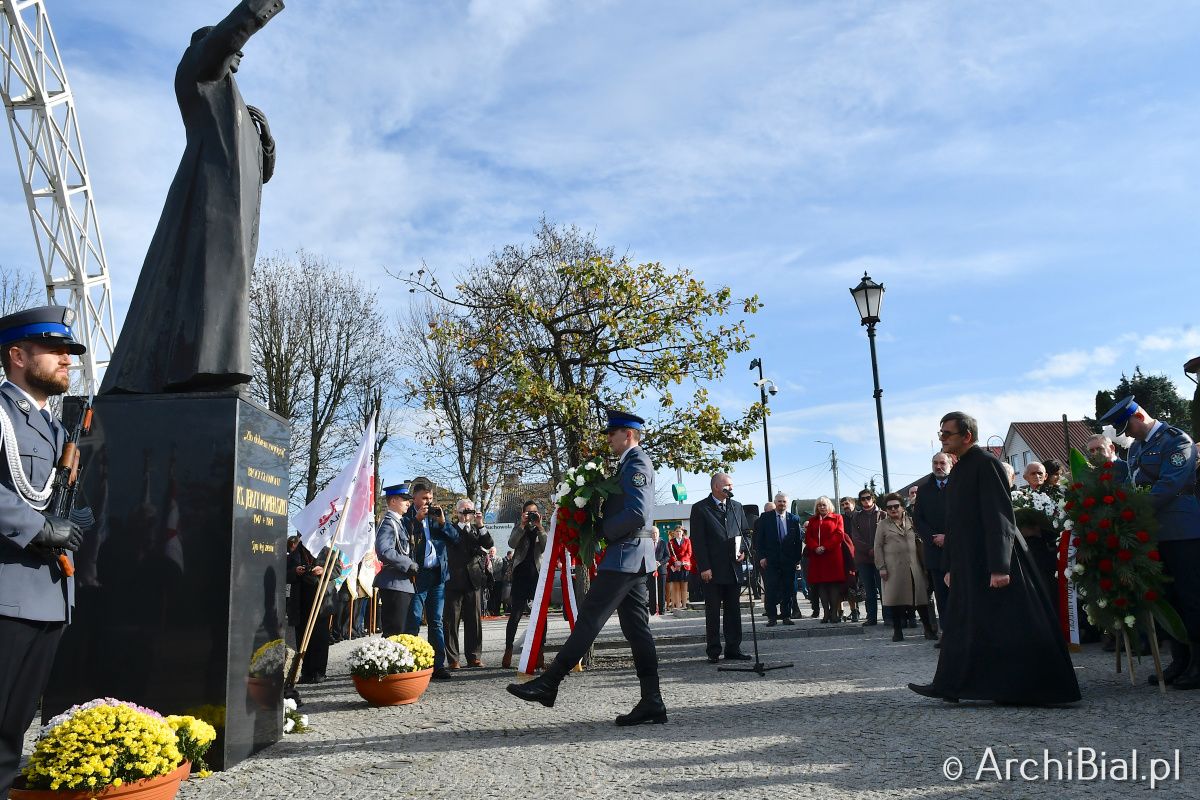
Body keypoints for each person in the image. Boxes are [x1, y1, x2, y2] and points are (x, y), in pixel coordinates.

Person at [101, 0, 283, 394]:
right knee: (205, 286)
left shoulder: (240, 106)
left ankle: (214, 369)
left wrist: (266, 142)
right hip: (208, 205)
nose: (239, 54)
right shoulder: (201, 75)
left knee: (224, 291)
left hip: (238, 220)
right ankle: (207, 371)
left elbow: (261, 174)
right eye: (230, 48)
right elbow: (229, 34)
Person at [910, 411, 1080, 705]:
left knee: (1011, 624)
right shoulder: (959, 468)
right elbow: (955, 523)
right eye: (940, 433)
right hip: (967, 561)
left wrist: (1000, 567)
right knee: (963, 623)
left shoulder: (986, 464)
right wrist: (950, 564)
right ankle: (950, 685)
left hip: (991, 560)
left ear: (967, 436)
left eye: (947, 433)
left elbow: (999, 515)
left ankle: (1034, 688)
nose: (942, 438)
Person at [507, 411, 665, 727]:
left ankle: (550, 682)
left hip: (626, 555)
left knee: (590, 618)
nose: (609, 439)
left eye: (612, 434)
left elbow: (636, 513)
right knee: (637, 630)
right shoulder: (628, 465)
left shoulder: (637, 463)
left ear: (628, 435)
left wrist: (601, 531)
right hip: (630, 555)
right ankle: (652, 701)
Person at [0, 306, 86, 798]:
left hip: (49, 596)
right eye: (55, 350)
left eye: (68, 352)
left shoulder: (55, 429)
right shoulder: (3, 414)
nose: (66, 359)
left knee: (12, 731)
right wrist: (38, 526)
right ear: (17, 355)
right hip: (7, 595)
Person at [1100, 396, 1200, 689]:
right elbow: (1131, 484)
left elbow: (1169, 485)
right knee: (1168, 599)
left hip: (1182, 531)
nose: (1128, 435)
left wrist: (1131, 509)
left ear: (1140, 416)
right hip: (1153, 534)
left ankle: (1199, 663)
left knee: (1191, 598)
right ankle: (1181, 660)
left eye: (1128, 427)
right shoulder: (1137, 448)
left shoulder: (1176, 440)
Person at [690, 473, 750, 663]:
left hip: (733, 568)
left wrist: (743, 550)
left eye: (732, 485)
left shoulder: (736, 506)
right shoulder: (700, 508)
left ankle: (733, 649)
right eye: (727, 485)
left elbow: (746, 533)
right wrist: (704, 567)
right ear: (716, 486)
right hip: (713, 570)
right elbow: (698, 541)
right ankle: (713, 651)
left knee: (733, 612)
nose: (731, 488)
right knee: (713, 612)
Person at [403, 482, 459, 680]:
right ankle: (411, 664)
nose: (428, 502)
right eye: (424, 498)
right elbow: (403, 536)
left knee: (436, 622)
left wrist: (443, 522)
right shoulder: (407, 516)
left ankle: (438, 665)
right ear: (414, 498)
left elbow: (455, 539)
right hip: (418, 576)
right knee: (414, 620)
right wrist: (417, 521)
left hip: (438, 576)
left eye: (430, 498)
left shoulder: (437, 515)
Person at [875, 493, 936, 642]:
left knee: (921, 600)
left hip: (914, 566)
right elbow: (878, 547)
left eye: (896, 506)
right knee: (896, 600)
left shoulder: (911, 521)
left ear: (902, 507)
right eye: (889, 507)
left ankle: (928, 630)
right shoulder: (882, 525)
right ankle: (897, 631)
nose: (893, 509)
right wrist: (881, 567)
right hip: (893, 568)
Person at [443, 499, 494, 669]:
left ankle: (474, 657)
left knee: (474, 621)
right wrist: (462, 522)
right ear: (457, 512)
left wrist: (480, 524)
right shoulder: (450, 529)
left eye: (469, 510)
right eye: (463, 510)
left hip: (474, 580)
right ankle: (453, 659)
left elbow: (489, 544)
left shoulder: (477, 530)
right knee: (451, 622)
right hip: (453, 580)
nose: (466, 514)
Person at [913, 453, 954, 643]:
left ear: (950, 464)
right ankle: (947, 635)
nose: (939, 466)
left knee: (962, 594)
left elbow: (966, 515)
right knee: (941, 595)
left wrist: (949, 537)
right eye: (935, 463)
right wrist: (933, 538)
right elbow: (918, 519)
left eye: (942, 463)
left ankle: (964, 634)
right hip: (935, 551)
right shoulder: (924, 489)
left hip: (958, 550)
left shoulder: (959, 485)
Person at [503, 500, 547, 668]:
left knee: (541, 616)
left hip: (537, 575)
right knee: (515, 615)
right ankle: (508, 650)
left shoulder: (542, 528)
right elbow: (512, 543)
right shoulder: (518, 527)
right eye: (528, 513)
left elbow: (545, 547)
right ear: (522, 513)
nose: (531, 515)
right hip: (521, 576)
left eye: (534, 512)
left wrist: (540, 527)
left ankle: (540, 653)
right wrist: (522, 525)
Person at [374, 485, 416, 637]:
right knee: (394, 632)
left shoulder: (399, 522)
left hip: (403, 583)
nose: (408, 503)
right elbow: (384, 550)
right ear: (393, 501)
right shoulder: (388, 522)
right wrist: (408, 564)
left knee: (403, 633)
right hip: (394, 582)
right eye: (404, 500)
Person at [754, 492, 802, 626]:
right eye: (779, 501)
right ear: (775, 503)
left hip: (788, 561)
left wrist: (797, 559)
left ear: (787, 503)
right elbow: (759, 540)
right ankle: (772, 617)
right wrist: (762, 557)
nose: (782, 504)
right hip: (771, 560)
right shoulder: (765, 518)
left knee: (788, 589)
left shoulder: (794, 519)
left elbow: (798, 541)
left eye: (784, 501)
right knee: (771, 589)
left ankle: (786, 616)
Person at [291, 541, 333, 684]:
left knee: (320, 638)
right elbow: (285, 573)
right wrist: (295, 571)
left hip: (321, 601)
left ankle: (319, 672)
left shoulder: (327, 549)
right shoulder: (295, 552)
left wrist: (323, 570)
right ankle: (306, 672)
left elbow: (337, 570)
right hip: (300, 602)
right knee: (302, 638)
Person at [805, 497, 852, 624]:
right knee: (821, 584)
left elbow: (839, 534)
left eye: (824, 505)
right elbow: (808, 537)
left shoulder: (837, 518)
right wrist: (816, 547)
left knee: (833, 584)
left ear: (829, 506)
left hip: (833, 556)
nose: (822, 507)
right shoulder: (812, 520)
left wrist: (825, 547)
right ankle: (826, 613)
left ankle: (834, 613)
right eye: (819, 505)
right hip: (817, 557)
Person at [847, 490, 883, 624]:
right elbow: (855, 537)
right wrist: (869, 549)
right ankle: (871, 617)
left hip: (881, 557)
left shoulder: (883, 514)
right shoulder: (856, 516)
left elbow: (886, 535)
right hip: (863, 558)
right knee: (869, 590)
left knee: (883, 588)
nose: (866, 500)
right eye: (863, 499)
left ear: (873, 498)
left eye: (868, 497)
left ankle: (889, 616)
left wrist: (877, 549)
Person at [665, 526, 692, 611]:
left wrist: (681, 561)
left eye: (680, 531)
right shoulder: (671, 542)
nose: (678, 533)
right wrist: (675, 562)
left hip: (684, 566)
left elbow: (689, 553)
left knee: (684, 587)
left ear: (682, 532)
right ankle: (677, 607)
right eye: (677, 531)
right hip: (675, 566)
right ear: (674, 532)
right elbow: (670, 554)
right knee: (676, 588)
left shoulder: (687, 541)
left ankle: (684, 605)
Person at [649, 532, 669, 615]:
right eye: (653, 533)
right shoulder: (648, 543)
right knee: (652, 590)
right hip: (650, 570)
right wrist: (651, 562)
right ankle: (652, 610)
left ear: (658, 534)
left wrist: (660, 563)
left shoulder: (663, 543)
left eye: (656, 533)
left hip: (661, 570)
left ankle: (661, 610)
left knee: (661, 590)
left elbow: (667, 556)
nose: (654, 535)